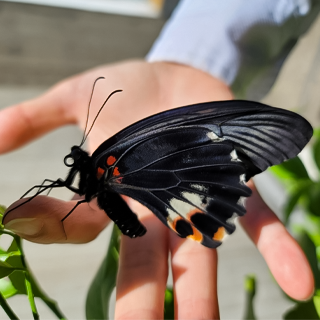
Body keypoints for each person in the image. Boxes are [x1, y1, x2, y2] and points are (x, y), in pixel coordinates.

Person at [2, 1, 318, 318]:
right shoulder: (100, 167)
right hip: (163, 194)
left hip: (183, 190)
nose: (77, 160)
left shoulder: (104, 163)